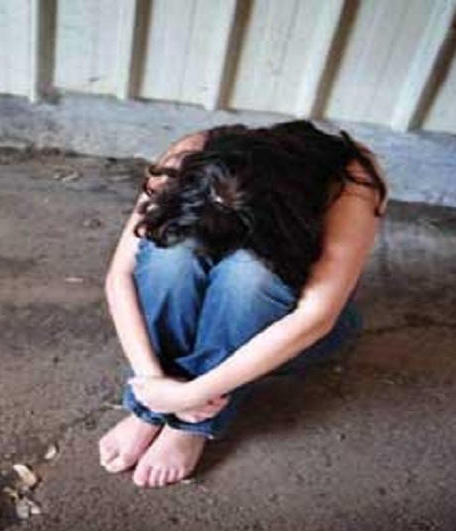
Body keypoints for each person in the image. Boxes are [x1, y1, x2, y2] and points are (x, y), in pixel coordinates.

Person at [98, 120, 388, 488]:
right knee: (171, 253)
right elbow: (120, 275)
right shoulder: (191, 156)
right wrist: (152, 385)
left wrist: (192, 396)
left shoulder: (350, 179)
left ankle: (190, 425)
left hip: (291, 327)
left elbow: (315, 317)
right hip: (181, 350)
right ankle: (154, 412)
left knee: (250, 274)